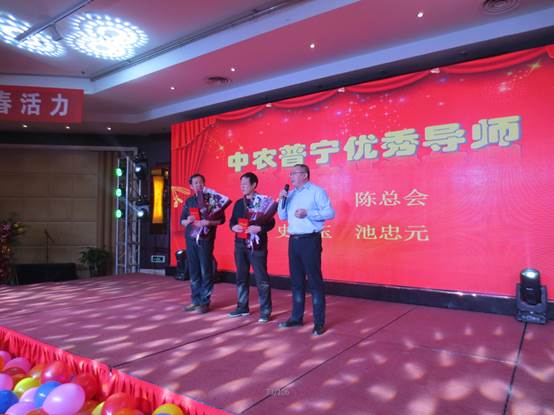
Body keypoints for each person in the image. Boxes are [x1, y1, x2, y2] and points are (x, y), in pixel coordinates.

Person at [277, 164, 335, 335]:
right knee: (296, 281)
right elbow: (282, 216)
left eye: (294, 173)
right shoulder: (290, 194)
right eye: (290, 174)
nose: (291, 177)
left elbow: (330, 213)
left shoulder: (317, 191)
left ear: (304, 175)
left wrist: (308, 213)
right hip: (294, 241)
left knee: (315, 282)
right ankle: (296, 318)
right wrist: (281, 200)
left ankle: (319, 322)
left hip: (310, 240)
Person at [229, 172, 277, 323]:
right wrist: (234, 227)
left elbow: (271, 222)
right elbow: (232, 221)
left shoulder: (263, 202)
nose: (242, 186)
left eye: (245, 184)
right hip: (240, 244)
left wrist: (260, 228)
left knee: (261, 278)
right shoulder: (239, 203)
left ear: (254, 185)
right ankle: (242, 307)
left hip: (257, 246)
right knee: (241, 276)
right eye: (241, 184)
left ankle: (265, 311)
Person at [180, 173, 230, 313]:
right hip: (191, 239)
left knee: (205, 270)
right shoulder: (189, 201)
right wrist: (188, 220)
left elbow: (221, 220)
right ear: (191, 186)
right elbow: (182, 221)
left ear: (204, 184)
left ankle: (204, 302)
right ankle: (195, 301)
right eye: (195, 183)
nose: (198, 185)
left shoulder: (212, 199)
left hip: (205, 239)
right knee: (194, 270)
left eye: (200, 182)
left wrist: (209, 222)